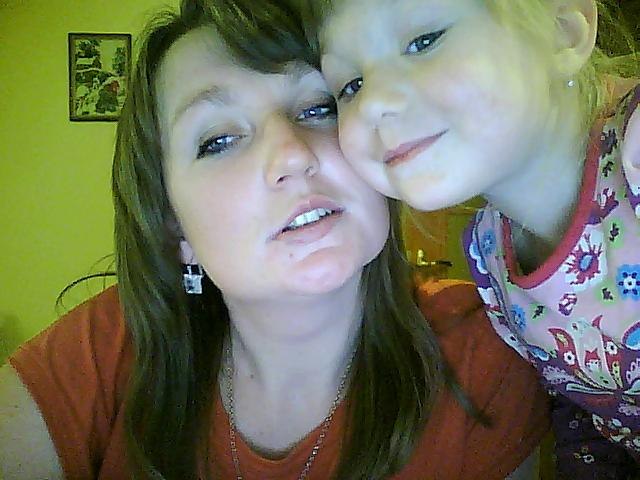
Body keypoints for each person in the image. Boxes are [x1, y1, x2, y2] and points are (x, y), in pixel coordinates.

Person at [0, 1, 550, 479]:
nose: (292, 153)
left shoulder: (490, 352)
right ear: (174, 228)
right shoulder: (106, 352)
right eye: (219, 140)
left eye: (318, 109)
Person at [289, 0, 640, 475]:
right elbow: (588, 418)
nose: (371, 103)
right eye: (350, 86)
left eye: (423, 41)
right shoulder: (490, 255)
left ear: (563, 30)